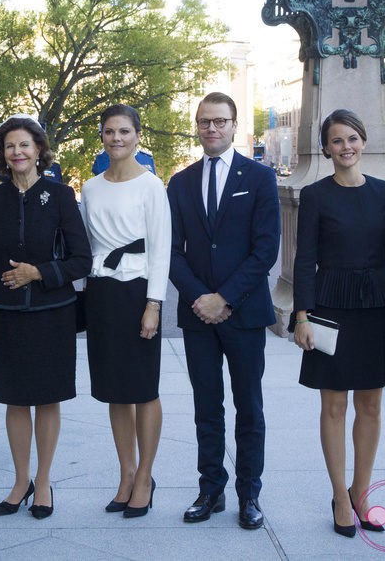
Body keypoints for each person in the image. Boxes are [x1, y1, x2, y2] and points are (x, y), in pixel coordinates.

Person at [167, 91, 279, 530]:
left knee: (249, 406)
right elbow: (173, 252)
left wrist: (225, 298)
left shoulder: (260, 177)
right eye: (204, 122)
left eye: (220, 121)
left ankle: (249, 493)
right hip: (197, 317)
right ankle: (210, 488)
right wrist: (200, 298)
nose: (212, 129)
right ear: (197, 127)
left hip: (245, 313)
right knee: (206, 406)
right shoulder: (180, 182)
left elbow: (265, 249)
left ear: (235, 126)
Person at [291, 109, 385, 538]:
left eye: (352, 138)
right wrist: (302, 316)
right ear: (326, 148)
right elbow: (303, 260)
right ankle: (339, 495)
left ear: (364, 140)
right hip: (330, 308)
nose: (346, 147)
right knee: (333, 405)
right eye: (337, 141)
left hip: (374, 306)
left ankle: (362, 492)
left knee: (371, 404)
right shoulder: (316, 194)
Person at [0, 115, 91, 520]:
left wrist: (38, 272)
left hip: (51, 315)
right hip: (6, 315)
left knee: (46, 398)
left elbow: (82, 259)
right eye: (10, 146)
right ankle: (20, 479)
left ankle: (43, 482)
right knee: (13, 398)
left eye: (24, 145)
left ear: (39, 150)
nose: (17, 152)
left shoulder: (61, 196)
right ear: (3, 155)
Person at [80, 104, 171, 519]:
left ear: (137, 136)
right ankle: (126, 472)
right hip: (102, 295)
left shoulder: (152, 186)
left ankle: (147, 475)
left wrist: (153, 305)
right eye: (109, 131)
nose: (116, 138)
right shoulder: (90, 187)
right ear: (101, 136)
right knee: (115, 391)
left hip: (137, 294)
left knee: (143, 389)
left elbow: (160, 250)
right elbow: (86, 248)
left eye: (124, 131)